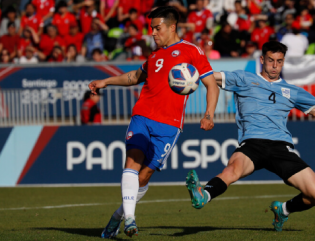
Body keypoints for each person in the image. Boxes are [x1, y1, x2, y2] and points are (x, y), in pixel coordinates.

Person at [185, 41, 315, 232]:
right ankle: (204, 195)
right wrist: (190, 70)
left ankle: (283, 209)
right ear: (262, 59)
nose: (275, 65)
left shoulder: (292, 91)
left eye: (279, 61)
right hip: (252, 143)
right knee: (233, 170)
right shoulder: (244, 79)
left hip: (281, 147)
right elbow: (210, 77)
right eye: (270, 60)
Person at [88, 6, 219, 239]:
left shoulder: (192, 51)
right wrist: (105, 81)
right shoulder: (154, 55)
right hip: (143, 114)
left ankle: (118, 216)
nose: (153, 33)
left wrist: (209, 114)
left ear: (172, 27)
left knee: (145, 176)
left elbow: (211, 84)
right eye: (152, 29)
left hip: (170, 125)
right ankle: (130, 218)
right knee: (133, 161)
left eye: (158, 28)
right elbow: (134, 77)